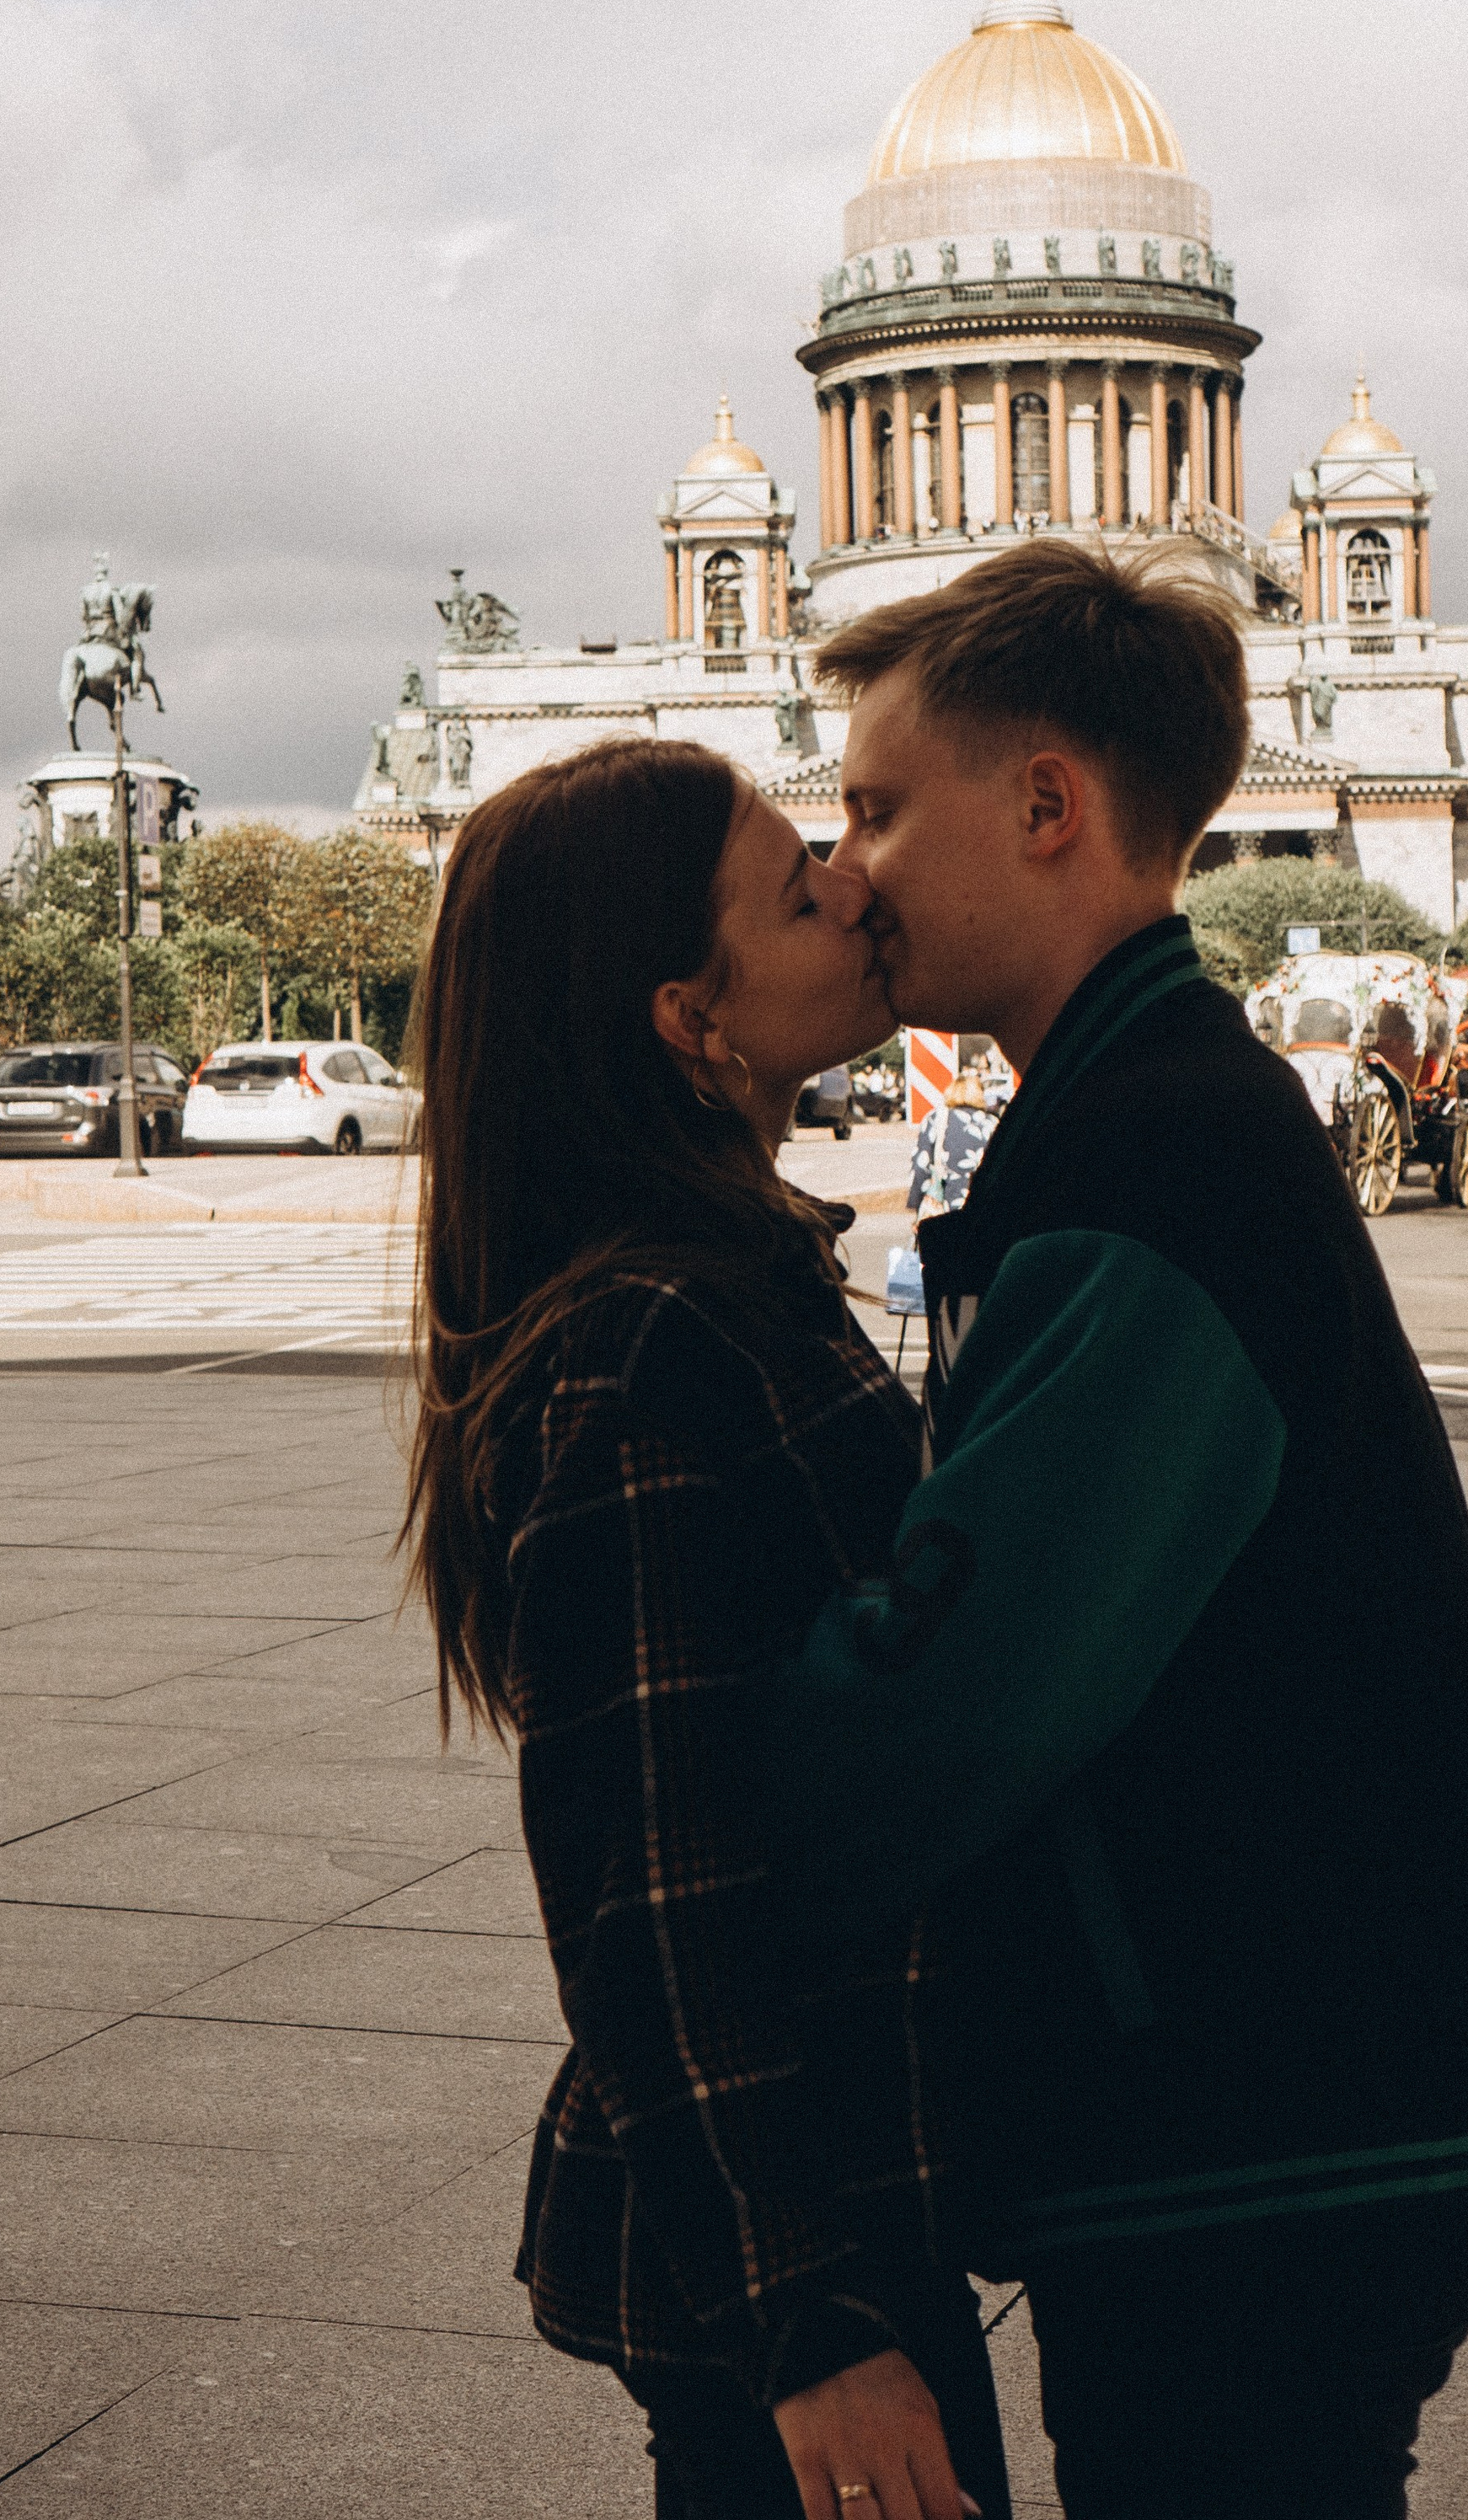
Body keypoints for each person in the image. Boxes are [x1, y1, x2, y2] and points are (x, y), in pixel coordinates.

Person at [765, 538, 1468, 2520]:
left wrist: (699, 1784)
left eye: (870, 806)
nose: (838, 867)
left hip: (1255, 2114)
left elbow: (947, 1703)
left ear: (1043, 804)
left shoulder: (1145, 1157)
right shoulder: (1151, 1110)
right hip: (1300, 2078)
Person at [402, 738, 1010, 2520]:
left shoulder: (711, 1280)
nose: (849, 880)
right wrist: (804, 2323)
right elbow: (644, 1880)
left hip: (822, 2199)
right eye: (789, 883)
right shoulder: (651, 1338)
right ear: (689, 1017)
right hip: (792, 2233)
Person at [907, 1065, 1003, 1223]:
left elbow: (920, 1165)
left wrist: (916, 1203)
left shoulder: (936, 1119)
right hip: (985, 1207)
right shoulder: (992, 1123)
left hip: (947, 1205)